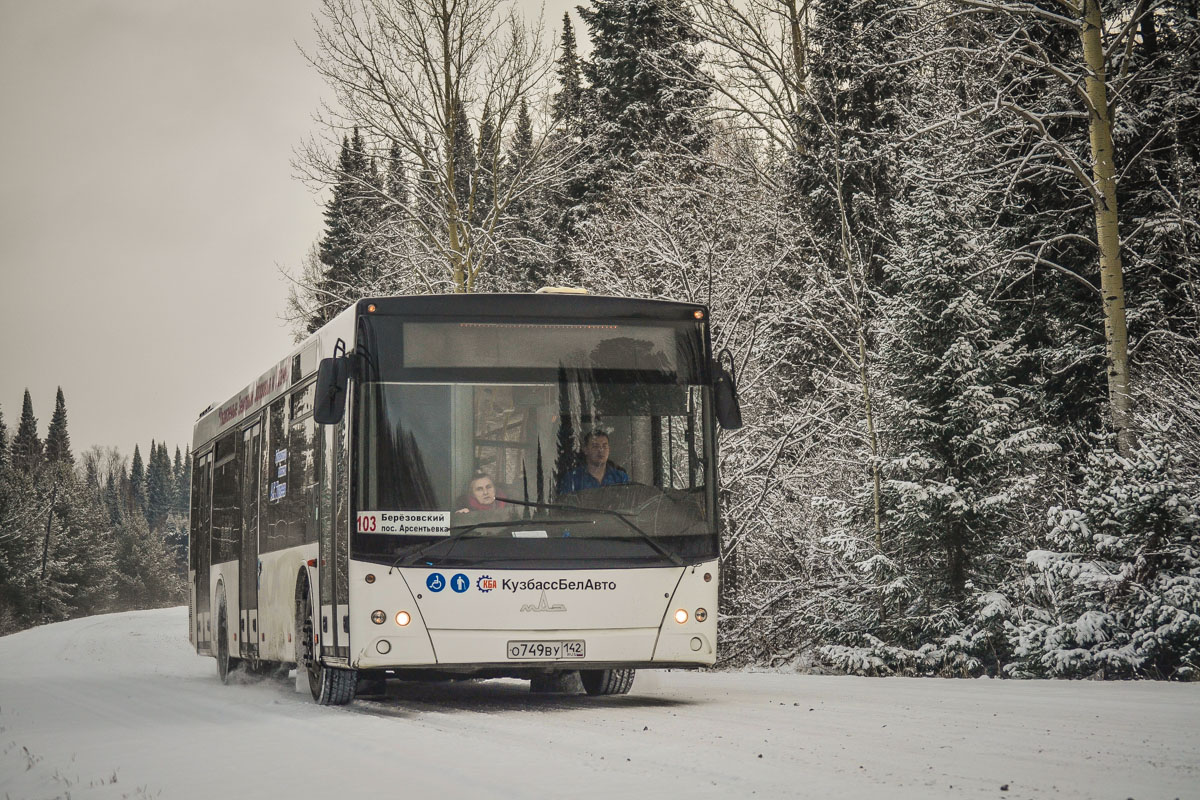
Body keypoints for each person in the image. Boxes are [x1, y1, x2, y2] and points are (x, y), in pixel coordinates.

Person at [556, 430, 630, 494]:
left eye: (604, 446)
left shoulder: (620, 478)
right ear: (585, 450)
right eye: (595, 446)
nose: (601, 450)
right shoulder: (572, 478)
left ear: (609, 449)